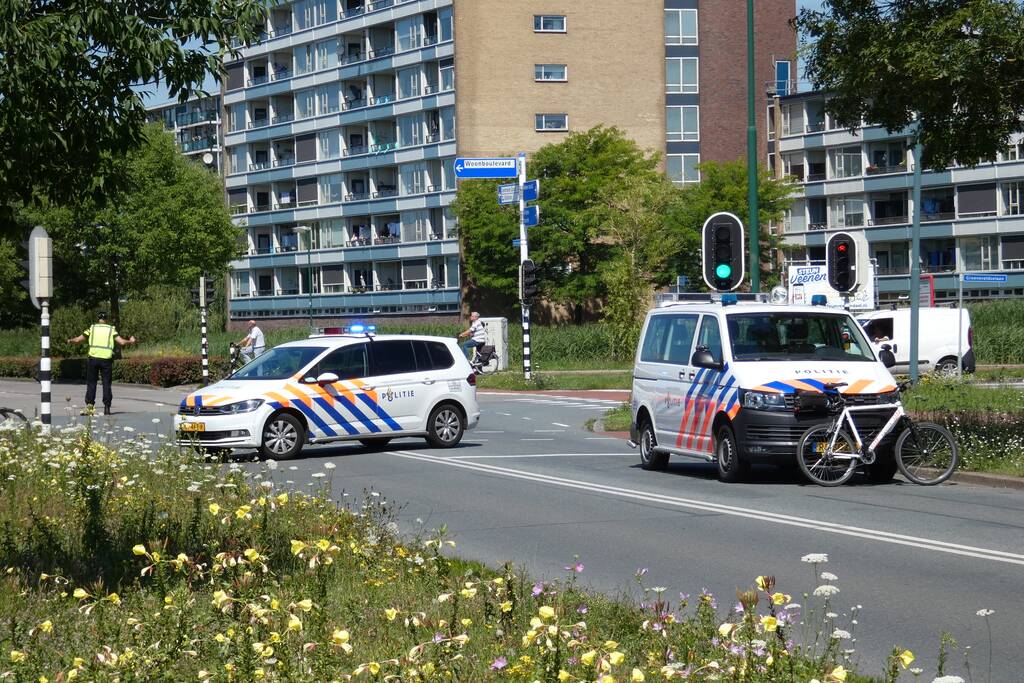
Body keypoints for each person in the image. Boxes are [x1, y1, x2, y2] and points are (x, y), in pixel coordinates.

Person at [66, 312, 136, 415]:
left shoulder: (92, 328)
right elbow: (121, 342)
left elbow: (78, 340)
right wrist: (131, 341)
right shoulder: (111, 329)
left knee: (91, 384)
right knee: (106, 384)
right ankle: (107, 408)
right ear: (106, 319)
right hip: (106, 360)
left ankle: (90, 408)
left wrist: (69, 340)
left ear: (98, 319)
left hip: (93, 359)